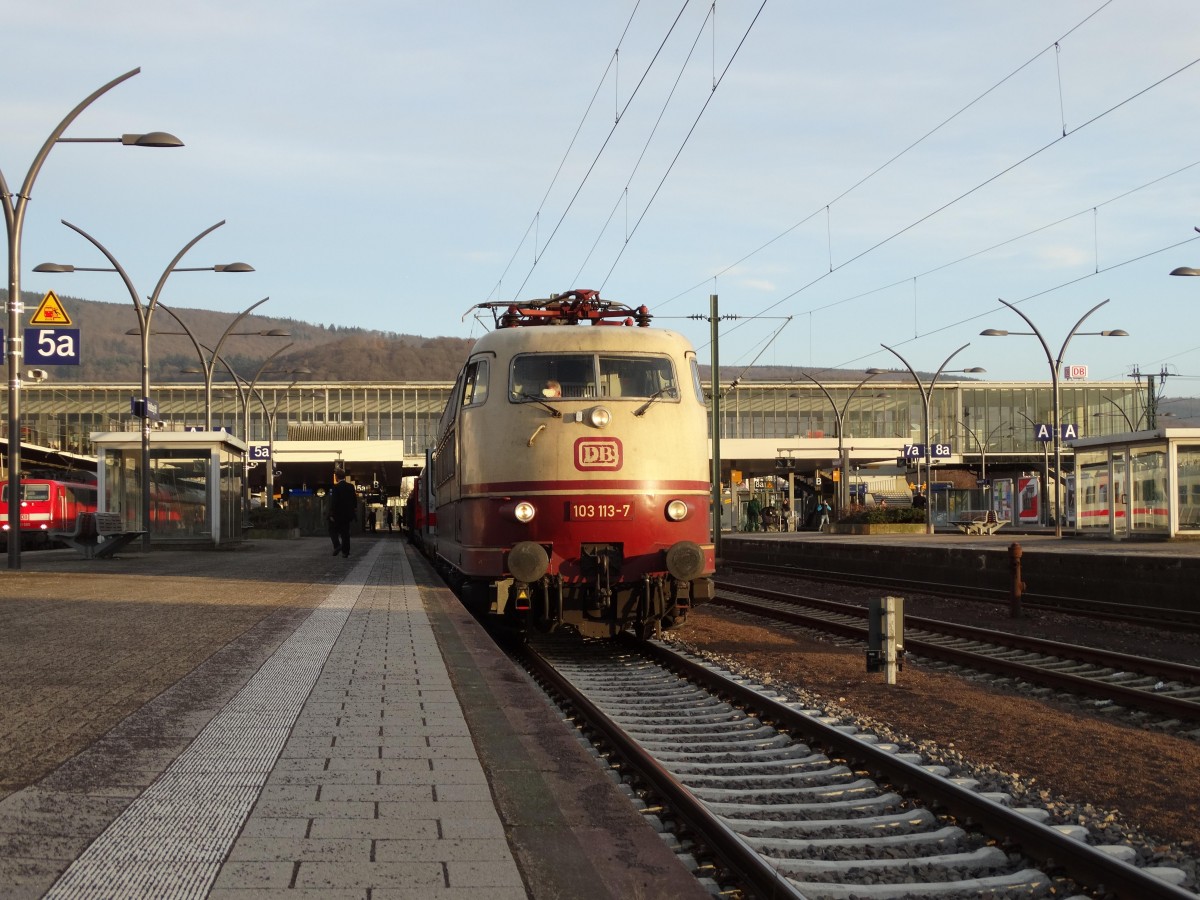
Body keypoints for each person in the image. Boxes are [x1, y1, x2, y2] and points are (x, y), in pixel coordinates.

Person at [328, 467, 357, 557]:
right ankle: (345, 552)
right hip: (347, 515)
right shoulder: (351, 486)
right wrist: (353, 510)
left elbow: (334, 501)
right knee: (345, 533)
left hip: (338, 514)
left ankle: (337, 545)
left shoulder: (336, 487)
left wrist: (331, 513)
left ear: (337, 477)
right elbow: (354, 500)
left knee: (332, 529)